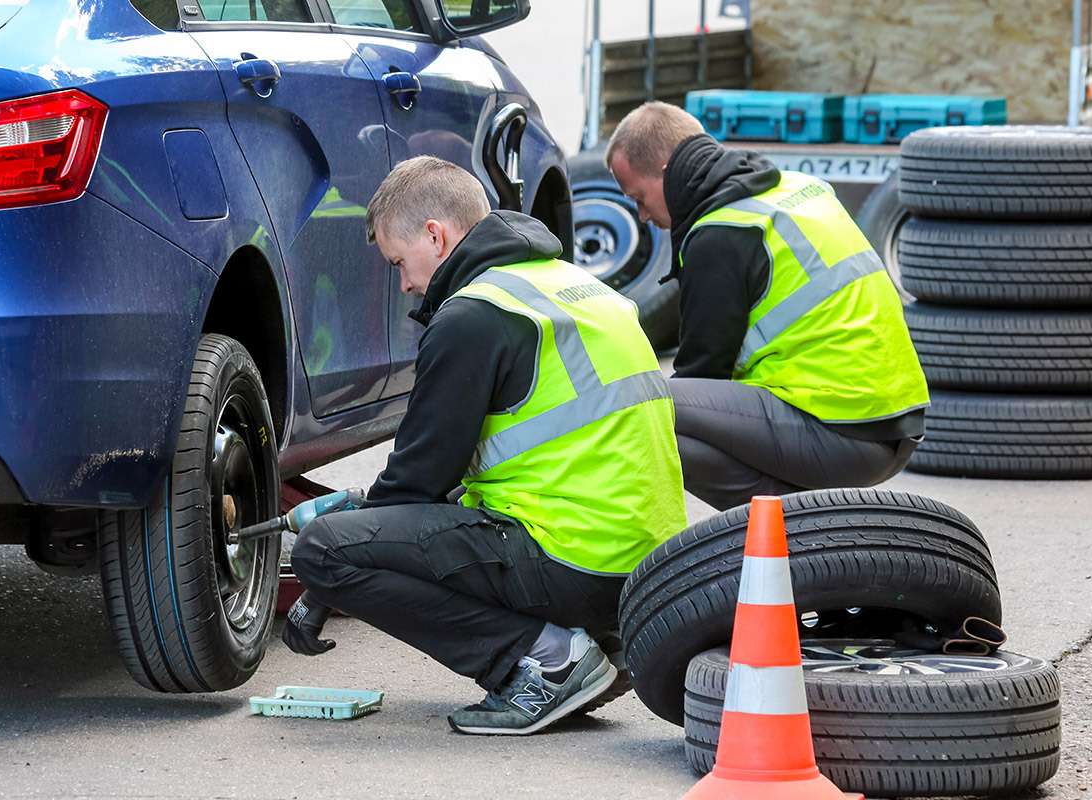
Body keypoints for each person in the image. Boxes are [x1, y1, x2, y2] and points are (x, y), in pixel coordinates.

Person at [287, 156, 688, 735]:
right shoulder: (576, 288)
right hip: (640, 566)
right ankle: (598, 644)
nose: (404, 284)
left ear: (435, 234)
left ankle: (548, 661)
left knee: (324, 550)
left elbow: (417, 477)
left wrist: (327, 574)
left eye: (399, 263)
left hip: (568, 557)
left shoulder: (474, 314)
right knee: (364, 534)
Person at [604, 101, 929, 511]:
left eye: (639, 197)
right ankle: (819, 525)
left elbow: (702, 375)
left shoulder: (722, 233)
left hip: (838, 430)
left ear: (667, 171)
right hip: (895, 422)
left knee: (647, 407)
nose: (643, 215)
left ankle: (794, 528)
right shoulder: (794, 188)